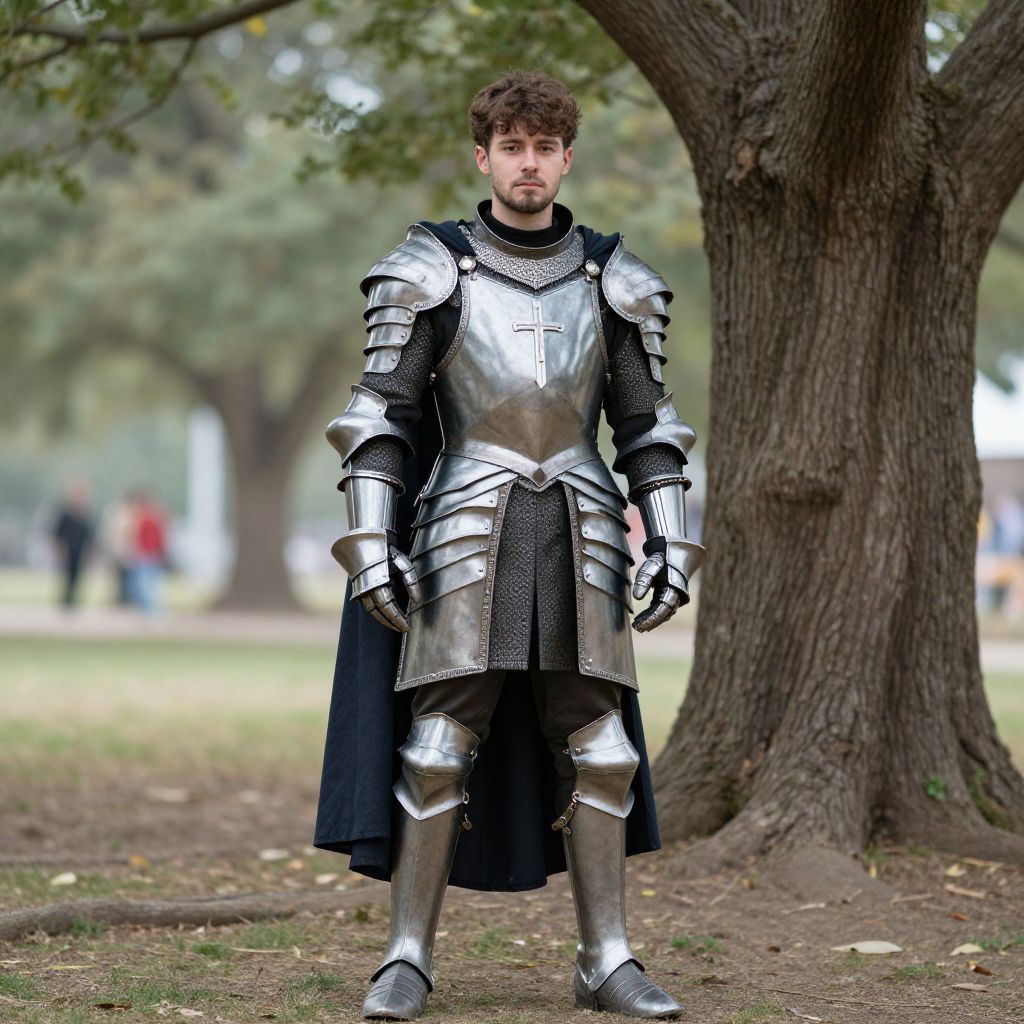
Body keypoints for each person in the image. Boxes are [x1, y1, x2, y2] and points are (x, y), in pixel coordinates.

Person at [314, 70, 705, 1021]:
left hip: (580, 527)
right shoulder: (429, 268)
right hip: (463, 525)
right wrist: (370, 543)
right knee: (438, 747)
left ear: (567, 157)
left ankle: (605, 957)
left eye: (545, 148)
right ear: (483, 156)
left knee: (604, 752)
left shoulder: (616, 281)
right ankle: (406, 955)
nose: (528, 164)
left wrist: (673, 545)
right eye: (512, 147)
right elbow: (378, 420)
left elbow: (648, 430)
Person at [51, 478, 94, 609]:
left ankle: (73, 600)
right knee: (67, 576)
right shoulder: (65, 513)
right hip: (67, 550)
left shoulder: (84, 513)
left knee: (78, 576)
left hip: (80, 550)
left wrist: (90, 551)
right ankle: (65, 600)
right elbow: (58, 533)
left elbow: (90, 535)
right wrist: (59, 550)